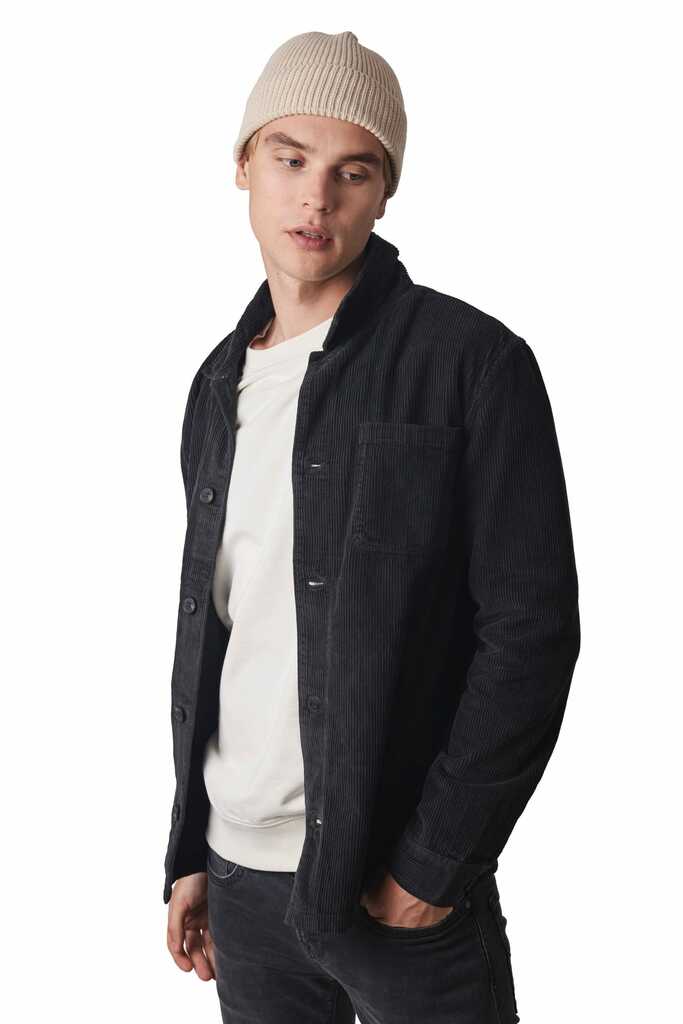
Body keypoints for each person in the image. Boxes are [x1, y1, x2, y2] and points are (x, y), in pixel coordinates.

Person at [164, 30, 580, 1024]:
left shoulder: (471, 364)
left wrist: (433, 863)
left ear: (384, 192)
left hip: (395, 887)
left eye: (352, 172)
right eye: (290, 159)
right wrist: (189, 851)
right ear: (243, 164)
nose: (316, 199)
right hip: (239, 880)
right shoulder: (216, 382)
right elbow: (221, 631)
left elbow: (530, 632)